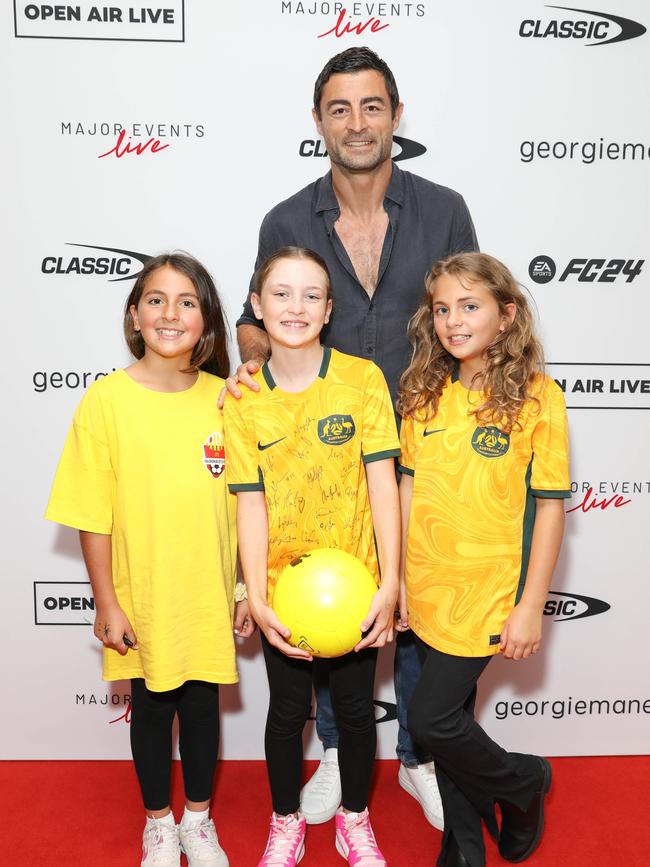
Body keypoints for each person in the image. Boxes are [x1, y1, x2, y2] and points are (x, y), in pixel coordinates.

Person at [228, 45, 479, 828]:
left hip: (432, 448)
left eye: (373, 106)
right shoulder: (285, 219)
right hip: (324, 460)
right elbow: (255, 320)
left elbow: (471, 308)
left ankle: (421, 755)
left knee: (419, 609)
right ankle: (339, 751)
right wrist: (248, 371)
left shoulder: (444, 208)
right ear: (318, 122)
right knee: (332, 605)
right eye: (339, 108)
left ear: (397, 117)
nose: (357, 122)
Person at [45, 253, 254, 867]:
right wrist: (106, 601)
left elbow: (246, 508)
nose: (171, 312)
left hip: (207, 593)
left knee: (201, 707)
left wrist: (243, 590)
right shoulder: (105, 401)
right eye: (156, 299)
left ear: (207, 322)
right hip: (142, 594)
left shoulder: (228, 399)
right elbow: (92, 512)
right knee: (152, 707)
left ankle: (197, 820)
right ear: (134, 315)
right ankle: (158, 824)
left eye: (187, 301)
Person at [223, 246, 400, 866]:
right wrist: (257, 597)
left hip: (356, 591)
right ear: (256, 306)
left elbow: (383, 485)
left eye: (310, 296)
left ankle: (356, 818)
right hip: (285, 596)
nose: (294, 307)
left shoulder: (362, 380)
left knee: (355, 711)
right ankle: (285, 821)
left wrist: (391, 584)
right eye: (280, 294)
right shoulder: (242, 399)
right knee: (287, 713)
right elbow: (249, 504)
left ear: (328, 309)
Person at [397, 252, 570, 867]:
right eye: (442, 308)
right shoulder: (424, 391)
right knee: (453, 717)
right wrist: (397, 581)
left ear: (507, 314)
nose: (453, 320)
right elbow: (409, 490)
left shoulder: (539, 399)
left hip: (489, 592)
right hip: (424, 589)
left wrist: (530, 607)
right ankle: (464, 846)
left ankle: (524, 782)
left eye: (470, 306)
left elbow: (549, 509)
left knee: (430, 720)